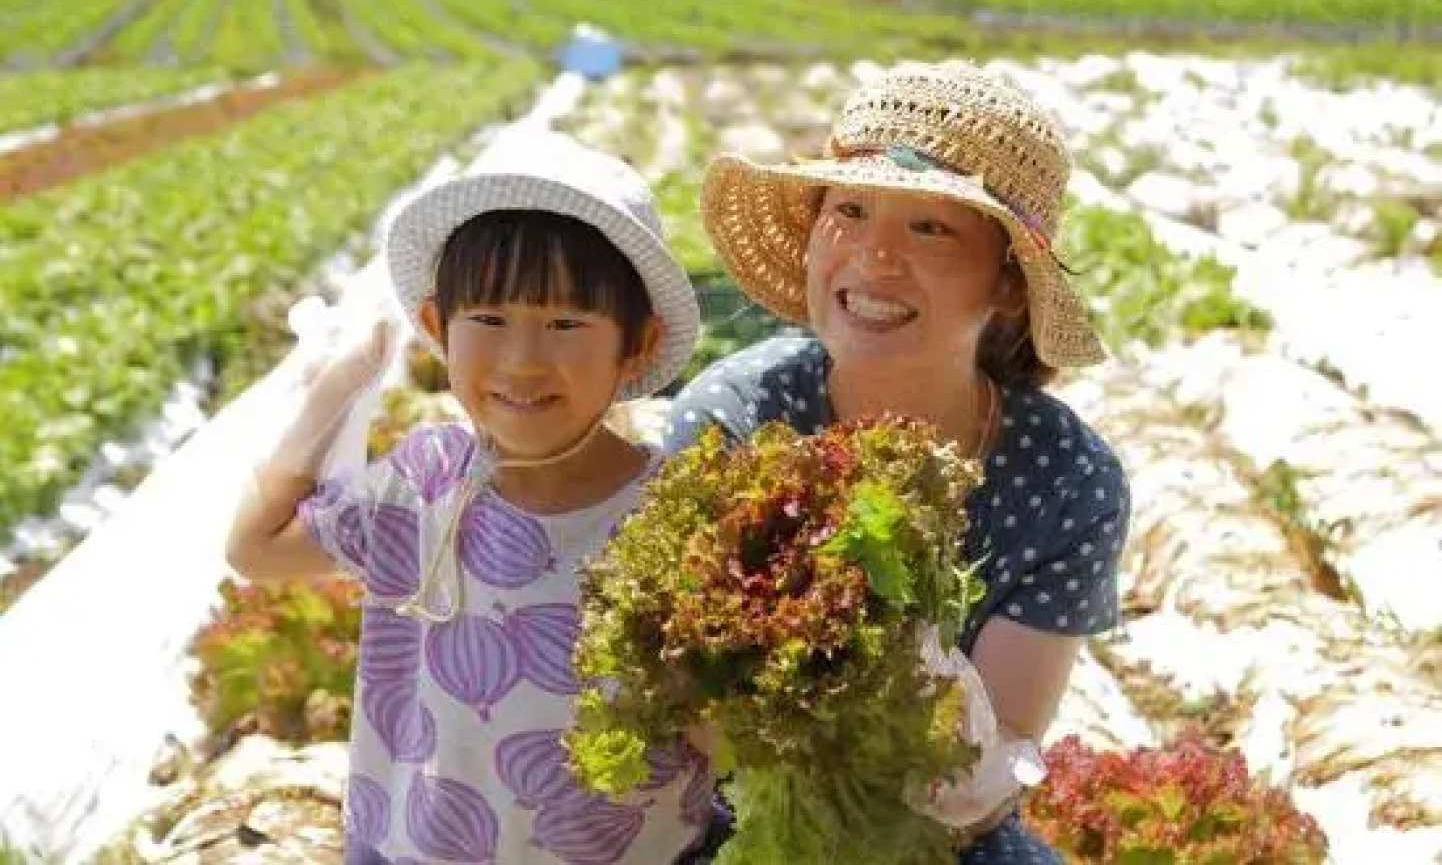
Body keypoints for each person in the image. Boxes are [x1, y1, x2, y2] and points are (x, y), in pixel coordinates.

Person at [666, 60, 1131, 863]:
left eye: (930, 228)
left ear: (1010, 286)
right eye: (849, 210)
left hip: (941, 834)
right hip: (747, 825)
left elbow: (1004, 737)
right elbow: (700, 713)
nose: (876, 258)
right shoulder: (734, 418)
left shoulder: (1066, 479)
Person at [225, 129, 711, 864]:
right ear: (435, 328)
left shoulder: (673, 518)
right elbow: (253, 550)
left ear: (637, 344)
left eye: (565, 324)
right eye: (487, 320)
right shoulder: (421, 484)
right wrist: (328, 398)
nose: (521, 360)